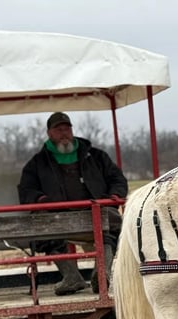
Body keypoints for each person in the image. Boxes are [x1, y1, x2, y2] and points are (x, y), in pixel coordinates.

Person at [17, 112, 128, 295]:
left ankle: (102, 274)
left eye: (67, 128)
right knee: (43, 229)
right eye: (58, 129)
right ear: (49, 133)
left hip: (96, 210)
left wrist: (114, 195)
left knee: (113, 225)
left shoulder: (97, 156)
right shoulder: (37, 163)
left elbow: (117, 179)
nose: (64, 133)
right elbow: (26, 190)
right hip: (57, 215)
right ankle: (71, 277)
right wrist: (42, 200)